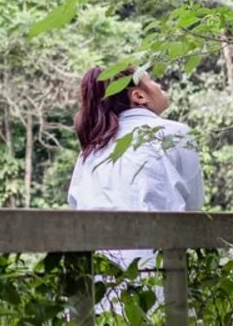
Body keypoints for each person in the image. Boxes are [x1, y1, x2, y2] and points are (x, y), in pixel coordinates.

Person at [67, 65, 204, 313]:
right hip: (159, 284)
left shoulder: (89, 152)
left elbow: (76, 207)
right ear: (138, 96)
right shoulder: (176, 134)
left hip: (98, 293)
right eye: (153, 82)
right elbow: (194, 208)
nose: (160, 86)